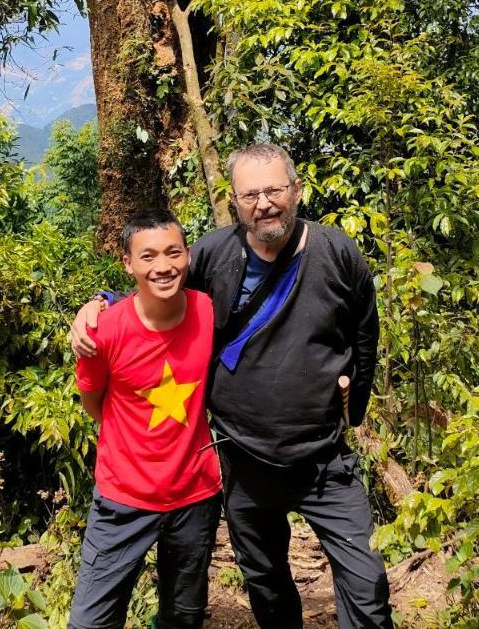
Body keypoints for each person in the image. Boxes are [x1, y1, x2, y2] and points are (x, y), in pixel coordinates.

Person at [70, 144, 393, 629]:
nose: (263, 203)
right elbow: (160, 283)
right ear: (236, 202)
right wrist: (101, 301)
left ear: (297, 191)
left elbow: (365, 330)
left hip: (324, 458)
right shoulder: (215, 253)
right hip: (244, 460)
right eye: (250, 194)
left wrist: (356, 405)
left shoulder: (336, 252)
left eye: (274, 190)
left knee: (366, 585)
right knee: (265, 581)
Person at [68, 210, 222, 629]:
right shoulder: (104, 331)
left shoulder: (209, 312)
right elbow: (94, 402)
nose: (163, 266)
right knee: (91, 621)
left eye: (173, 253)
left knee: (184, 617)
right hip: (123, 497)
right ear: (128, 263)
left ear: (188, 256)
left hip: (195, 493)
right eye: (148, 256)